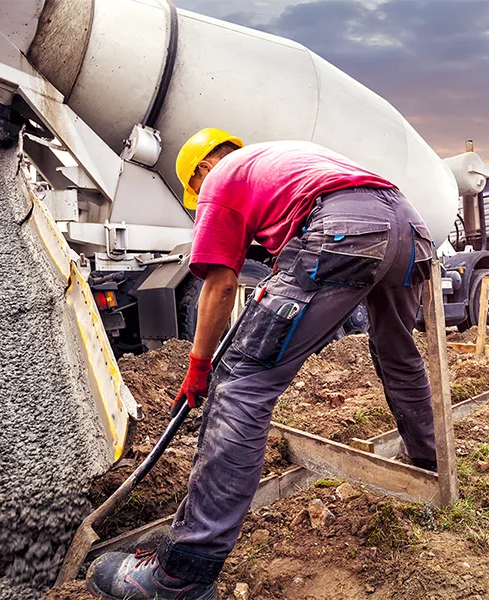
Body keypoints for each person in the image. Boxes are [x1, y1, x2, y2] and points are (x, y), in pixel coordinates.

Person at [86, 129, 437, 600]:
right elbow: (313, 219)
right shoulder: (287, 157)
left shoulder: (218, 181)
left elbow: (220, 284)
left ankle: (182, 574)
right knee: (399, 356)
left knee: (241, 385)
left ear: (201, 171)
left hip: (343, 231)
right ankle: (430, 466)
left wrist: (200, 366)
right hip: (409, 229)